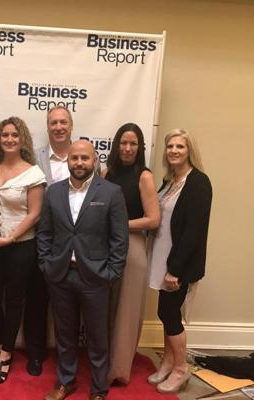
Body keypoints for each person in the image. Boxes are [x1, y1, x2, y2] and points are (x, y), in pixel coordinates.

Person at [38, 140, 129, 400]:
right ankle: (65, 382)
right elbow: (45, 232)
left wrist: (112, 272)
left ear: (94, 160)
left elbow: (119, 238)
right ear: (68, 160)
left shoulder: (111, 192)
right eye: (74, 158)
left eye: (84, 158)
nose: (79, 163)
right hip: (60, 275)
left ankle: (98, 389)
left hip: (96, 277)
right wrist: (46, 264)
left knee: (98, 337)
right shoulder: (53, 192)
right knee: (64, 335)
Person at [0, 117, 46, 384]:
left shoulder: (33, 173)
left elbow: (35, 214)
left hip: (21, 246)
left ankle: (6, 352)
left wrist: (10, 238)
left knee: (14, 300)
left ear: (22, 140)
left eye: (14, 135)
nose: (9, 139)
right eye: (5, 135)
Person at [147, 129, 212, 393]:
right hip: (163, 256)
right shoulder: (170, 181)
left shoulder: (198, 183)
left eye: (180, 146)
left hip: (179, 263)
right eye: (170, 146)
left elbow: (193, 231)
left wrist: (175, 269)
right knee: (166, 313)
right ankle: (169, 362)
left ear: (189, 151)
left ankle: (181, 368)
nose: (174, 150)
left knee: (169, 313)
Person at [103, 123, 160, 385]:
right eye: (123, 143)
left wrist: (119, 224)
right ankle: (103, 362)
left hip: (132, 247)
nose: (127, 148)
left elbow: (153, 219)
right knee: (105, 309)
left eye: (133, 144)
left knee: (126, 311)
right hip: (105, 247)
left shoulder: (144, 176)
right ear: (116, 145)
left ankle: (118, 371)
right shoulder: (106, 173)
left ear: (140, 148)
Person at [24, 106, 74, 376]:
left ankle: (70, 355)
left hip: (75, 243)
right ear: (47, 127)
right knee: (36, 298)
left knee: (71, 301)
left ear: (71, 125)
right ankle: (35, 353)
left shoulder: (83, 156)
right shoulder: (34, 159)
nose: (58, 127)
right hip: (41, 238)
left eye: (63, 122)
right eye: (53, 123)